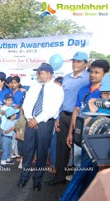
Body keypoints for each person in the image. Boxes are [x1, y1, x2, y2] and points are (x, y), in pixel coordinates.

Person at [17, 63, 64, 191]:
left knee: (42, 153)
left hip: (45, 124)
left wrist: (36, 120)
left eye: (40, 72)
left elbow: (53, 109)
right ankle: (24, 177)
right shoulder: (34, 86)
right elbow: (26, 103)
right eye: (37, 72)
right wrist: (30, 118)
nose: (38, 75)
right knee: (28, 151)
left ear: (48, 74)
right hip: (30, 122)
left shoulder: (57, 89)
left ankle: (37, 180)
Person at [47, 52, 90, 186]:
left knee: (78, 150)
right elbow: (61, 99)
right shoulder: (66, 78)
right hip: (64, 116)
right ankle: (59, 177)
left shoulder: (89, 78)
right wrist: (57, 118)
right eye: (74, 61)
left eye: (79, 61)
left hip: (80, 118)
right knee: (61, 149)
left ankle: (79, 182)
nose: (75, 64)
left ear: (86, 63)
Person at [66, 59, 109, 168]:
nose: (93, 75)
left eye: (97, 72)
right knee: (77, 165)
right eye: (91, 72)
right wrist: (71, 133)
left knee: (91, 168)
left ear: (105, 74)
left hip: (96, 138)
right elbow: (76, 111)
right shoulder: (83, 89)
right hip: (79, 134)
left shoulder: (105, 94)